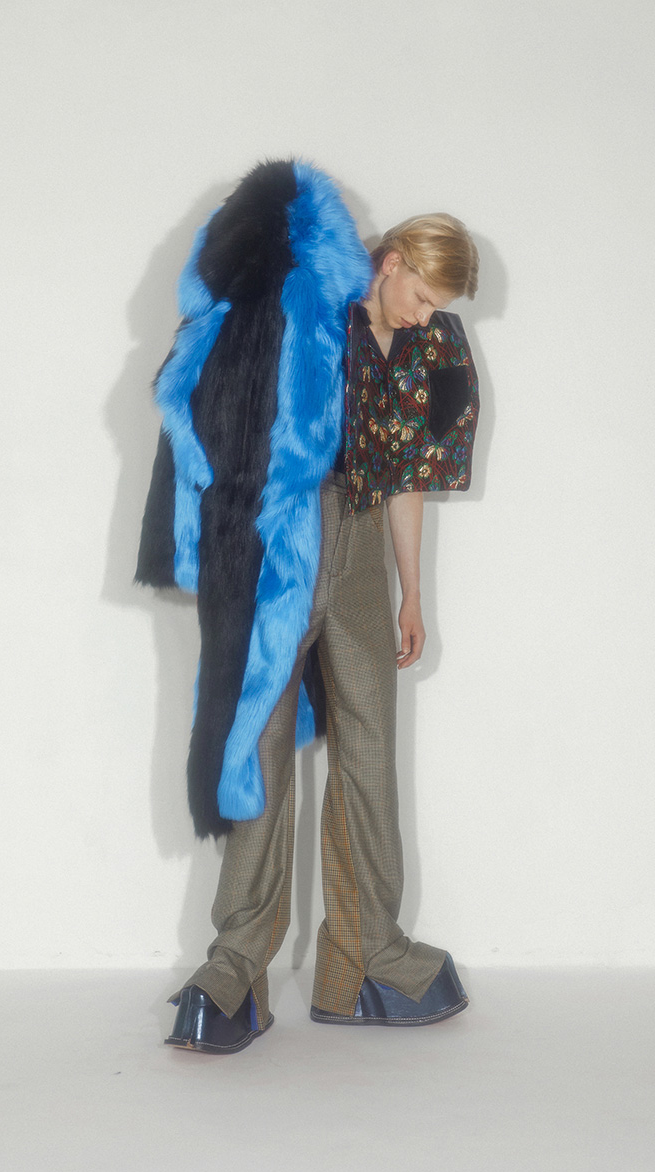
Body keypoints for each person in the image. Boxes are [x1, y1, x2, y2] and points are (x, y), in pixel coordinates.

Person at [135, 160, 480, 1054]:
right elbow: (219, 399)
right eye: (423, 297)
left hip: (361, 543)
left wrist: (412, 590)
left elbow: (405, 473)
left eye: (440, 307)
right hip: (283, 538)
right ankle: (237, 964)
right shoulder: (309, 301)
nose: (428, 317)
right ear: (392, 260)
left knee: (369, 746)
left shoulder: (428, 347)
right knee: (260, 743)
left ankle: (363, 960)